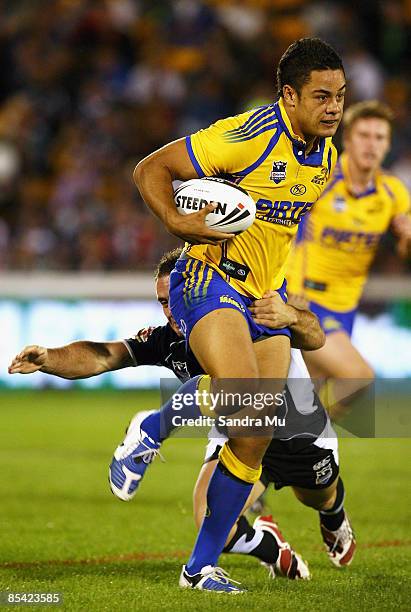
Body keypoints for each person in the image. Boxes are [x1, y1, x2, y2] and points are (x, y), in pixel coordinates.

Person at [132, 37, 345, 591]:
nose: (334, 107)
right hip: (208, 281)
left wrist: (282, 298)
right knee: (244, 404)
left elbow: (273, 234)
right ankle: (151, 427)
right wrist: (178, 224)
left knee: (253, 433)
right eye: (321, 96)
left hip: (262, 298)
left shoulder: (324, 158)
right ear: (289, 97)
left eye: (341, 96)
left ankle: (199, 570)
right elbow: (151, 169)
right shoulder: (246, 136)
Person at [9, 249, 355, 584]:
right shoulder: (170, 339)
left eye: (175, 295)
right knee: (210, 517)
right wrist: (49, 358)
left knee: (319, 496)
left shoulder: (249, 310)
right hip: (236, 434)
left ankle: (333, 516)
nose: (171, 308)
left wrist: (291, 316)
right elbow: (104, 356)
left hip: (297, 432)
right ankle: (270, 547)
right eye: (163, 300)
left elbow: (315, 335)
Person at [286, 100, 411, 419]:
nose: (372, 144)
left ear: (388, 144)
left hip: (345, 308)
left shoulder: (393, 192)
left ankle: (284, 449)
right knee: (357, 376)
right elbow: (288, 230)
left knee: (302, 399)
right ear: (349, 140)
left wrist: (407, 237)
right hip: (306, 300)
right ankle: (300, 445)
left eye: (379, 137)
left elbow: (404, 252)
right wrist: (291, 293)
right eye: (364, 135)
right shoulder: (322, 178)